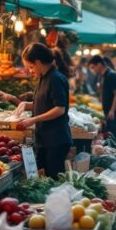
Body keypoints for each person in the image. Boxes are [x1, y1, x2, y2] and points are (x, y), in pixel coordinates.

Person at [17, 44, 72, 178]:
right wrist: (26, 104)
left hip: (56, 140)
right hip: (45, 139)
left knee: (53, 179)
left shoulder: (55, 79)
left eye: (31, 66)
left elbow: (60, 109)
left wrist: (34, 119)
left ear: (38, 62)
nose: (30, 71)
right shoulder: (44, 78)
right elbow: (44, 104)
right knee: (44, 178)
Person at [88, 55, 116, 139]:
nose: (93, 70)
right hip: (107, 110)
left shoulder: (111, 75)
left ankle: (113, 150)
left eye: (93, 67)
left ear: (99, 64)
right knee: (109, 133)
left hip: (111, 111)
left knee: (112, 134)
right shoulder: (103, 76)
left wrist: (112, 110)